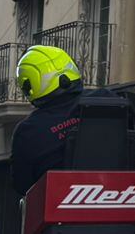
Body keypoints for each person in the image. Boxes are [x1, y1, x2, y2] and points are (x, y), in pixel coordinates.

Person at [10, 43, 88, 198]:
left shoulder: (28, 131)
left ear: (30, 84)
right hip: (127, 205)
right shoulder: (113, 100)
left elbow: (22, 186)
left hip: (60, 213)